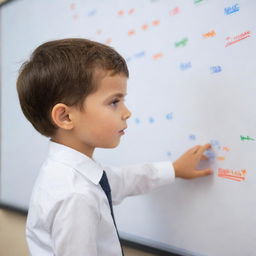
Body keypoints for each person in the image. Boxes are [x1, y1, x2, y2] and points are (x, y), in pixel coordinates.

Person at [16, 38, 212, 256]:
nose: (126, 112)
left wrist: (174, 169)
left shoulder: (76, 175)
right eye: (114, 102)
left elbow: (124, 180)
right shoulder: (76, 196)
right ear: (65, 116)